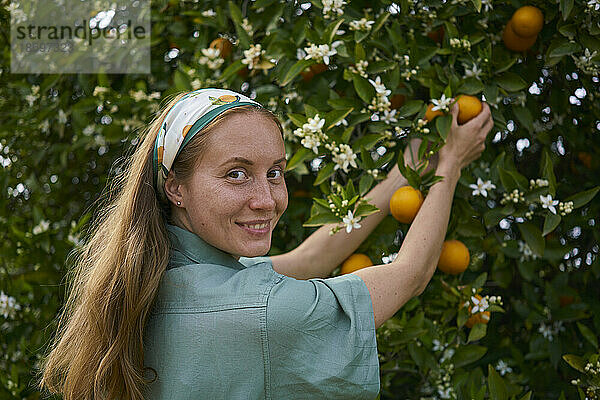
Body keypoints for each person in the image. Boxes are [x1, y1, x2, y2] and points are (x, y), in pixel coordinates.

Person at [38, 88, 493, 400]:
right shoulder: (263, 311)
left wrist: (407, 167)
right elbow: (410, 274)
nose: (267, 200)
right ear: (175, 188)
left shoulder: (162, 277)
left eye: (274, 171)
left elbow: (309, 258)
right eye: (236, 174)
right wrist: (451, 163)